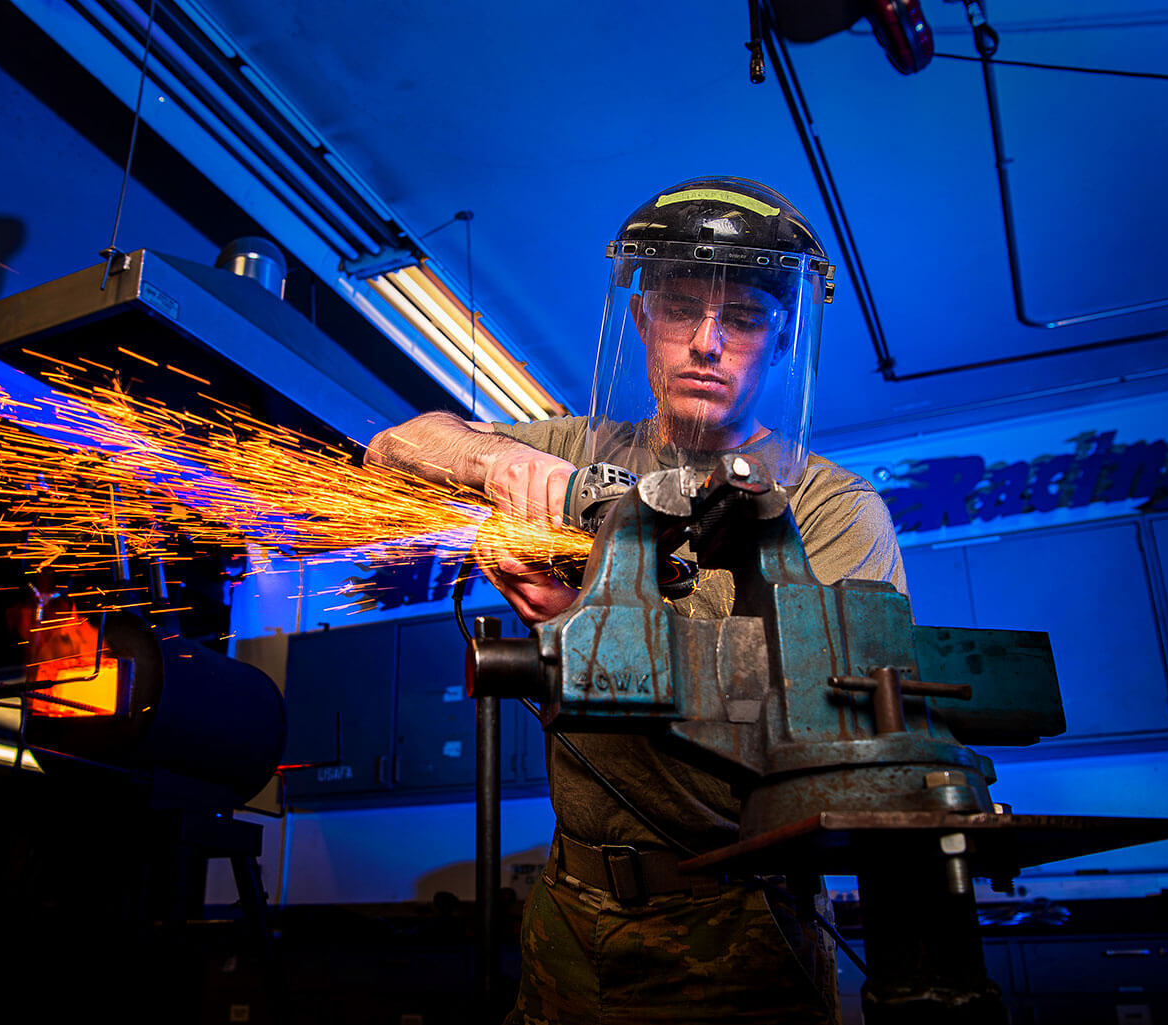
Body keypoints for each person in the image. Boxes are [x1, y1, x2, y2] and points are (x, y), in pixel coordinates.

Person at [366, 177, 906, 1024]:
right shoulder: (588, 446)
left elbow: (827, 726)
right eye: (681, 308)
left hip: (744, 922)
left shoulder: (833, 508)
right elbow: (394, 446)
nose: (707, 342)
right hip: (569, 913)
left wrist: (577, 616)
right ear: (641, 321)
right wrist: (501, 464)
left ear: (782, 337)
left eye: (744, 319)